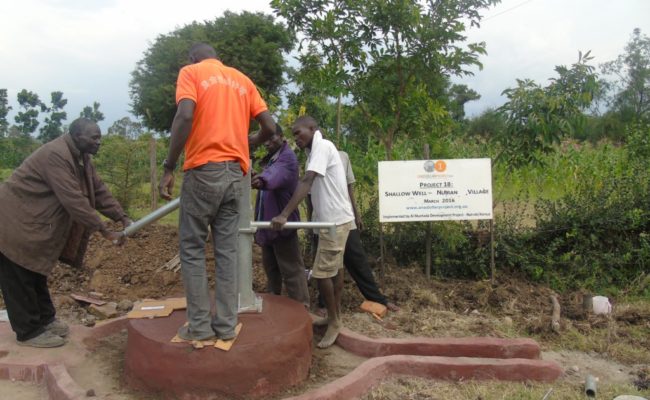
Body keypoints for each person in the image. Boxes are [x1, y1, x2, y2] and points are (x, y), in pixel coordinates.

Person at [159, 43, 276, 341]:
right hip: (236, 175)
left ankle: (199, 328)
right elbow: (270, 126)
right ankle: (225, 326)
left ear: (193, 58)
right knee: (227, 252)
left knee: (192, 249)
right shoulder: (242, 80)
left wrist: (169, 166)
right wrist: (246, 142)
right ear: (217, 58)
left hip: (203, 171)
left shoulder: (191, 73)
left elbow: (185, 115)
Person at [0, 118, 130, 348]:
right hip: (13, 221)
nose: (99, 142)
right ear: (77, 136)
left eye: (99, 137)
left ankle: (45, 320)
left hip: (31, 223)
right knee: (19, 276)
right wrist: (103, 230)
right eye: (94, 138)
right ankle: (28, 331)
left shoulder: (82, 158)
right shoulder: (56, 155)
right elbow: (73, 199)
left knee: (35, 272)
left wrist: (121, 216)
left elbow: (98, 190)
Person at [271, 116, 354, 348]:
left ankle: (335, 322)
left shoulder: (322, 147)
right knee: (335, 271)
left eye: (299, 133)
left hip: (334, 222)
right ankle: (333, 316)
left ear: (312, 128)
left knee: (321, 275)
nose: (296, 138)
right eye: (294, 135)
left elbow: (307, 181)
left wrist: (284, 214)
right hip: (332, 221)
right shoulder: (314, 151)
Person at [312, 150, 399, 314]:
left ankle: (377, 299)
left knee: (358, 262)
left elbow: (349, 187)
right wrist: (313, 225)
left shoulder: (343, 156)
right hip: (324, 222)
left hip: (346, 219)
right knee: (327, 266)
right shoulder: (313, 158)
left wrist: (356, 215)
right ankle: (324, 304)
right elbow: (310, 193)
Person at [252, 126, 309, 307]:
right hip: (269, 225)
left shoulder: (287, 158)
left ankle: (301, 309)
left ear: (282, 137)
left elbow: (276, 175)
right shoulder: (273, 158)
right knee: (271, 270)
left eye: (271, 138)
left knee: (292, 271)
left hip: (282, 225)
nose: (267, 142)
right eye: (265, 139)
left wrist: (261, 180)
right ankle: (274, 307)